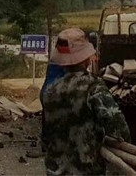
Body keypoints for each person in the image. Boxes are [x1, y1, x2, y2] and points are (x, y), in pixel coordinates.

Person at [42, 27, 130, 175]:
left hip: (55, 171)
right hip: (87, 171)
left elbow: (45, 137)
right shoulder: (92, 86)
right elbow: (116, 124)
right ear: (86, 58)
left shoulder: (50, 91)